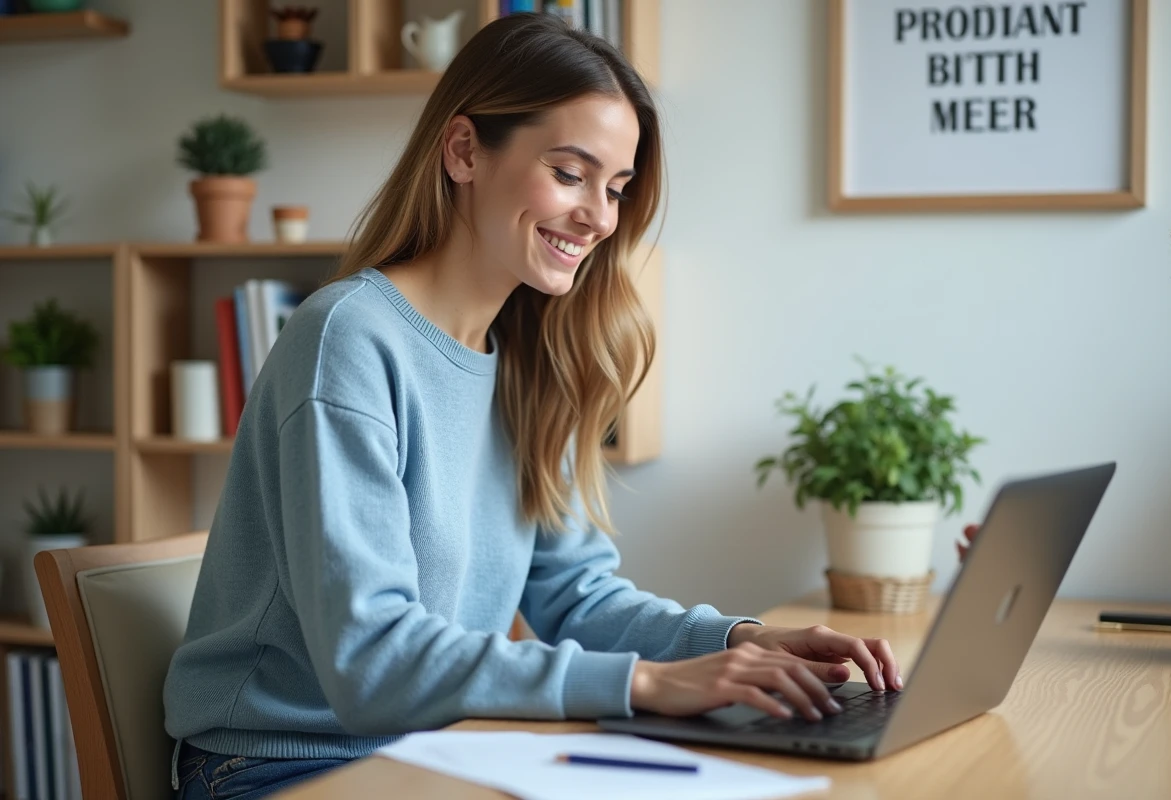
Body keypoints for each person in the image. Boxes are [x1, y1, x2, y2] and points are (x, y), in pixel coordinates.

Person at [162, 13, 905, 800]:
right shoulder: (348, 339)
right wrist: (646, 684)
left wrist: (741, 641)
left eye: (616, 188)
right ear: (463, 151)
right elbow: (371, 662)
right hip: (281, 764)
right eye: (570, 172)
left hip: (435, 751)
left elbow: (575, 595)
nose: (599, 216)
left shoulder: (525, 357)